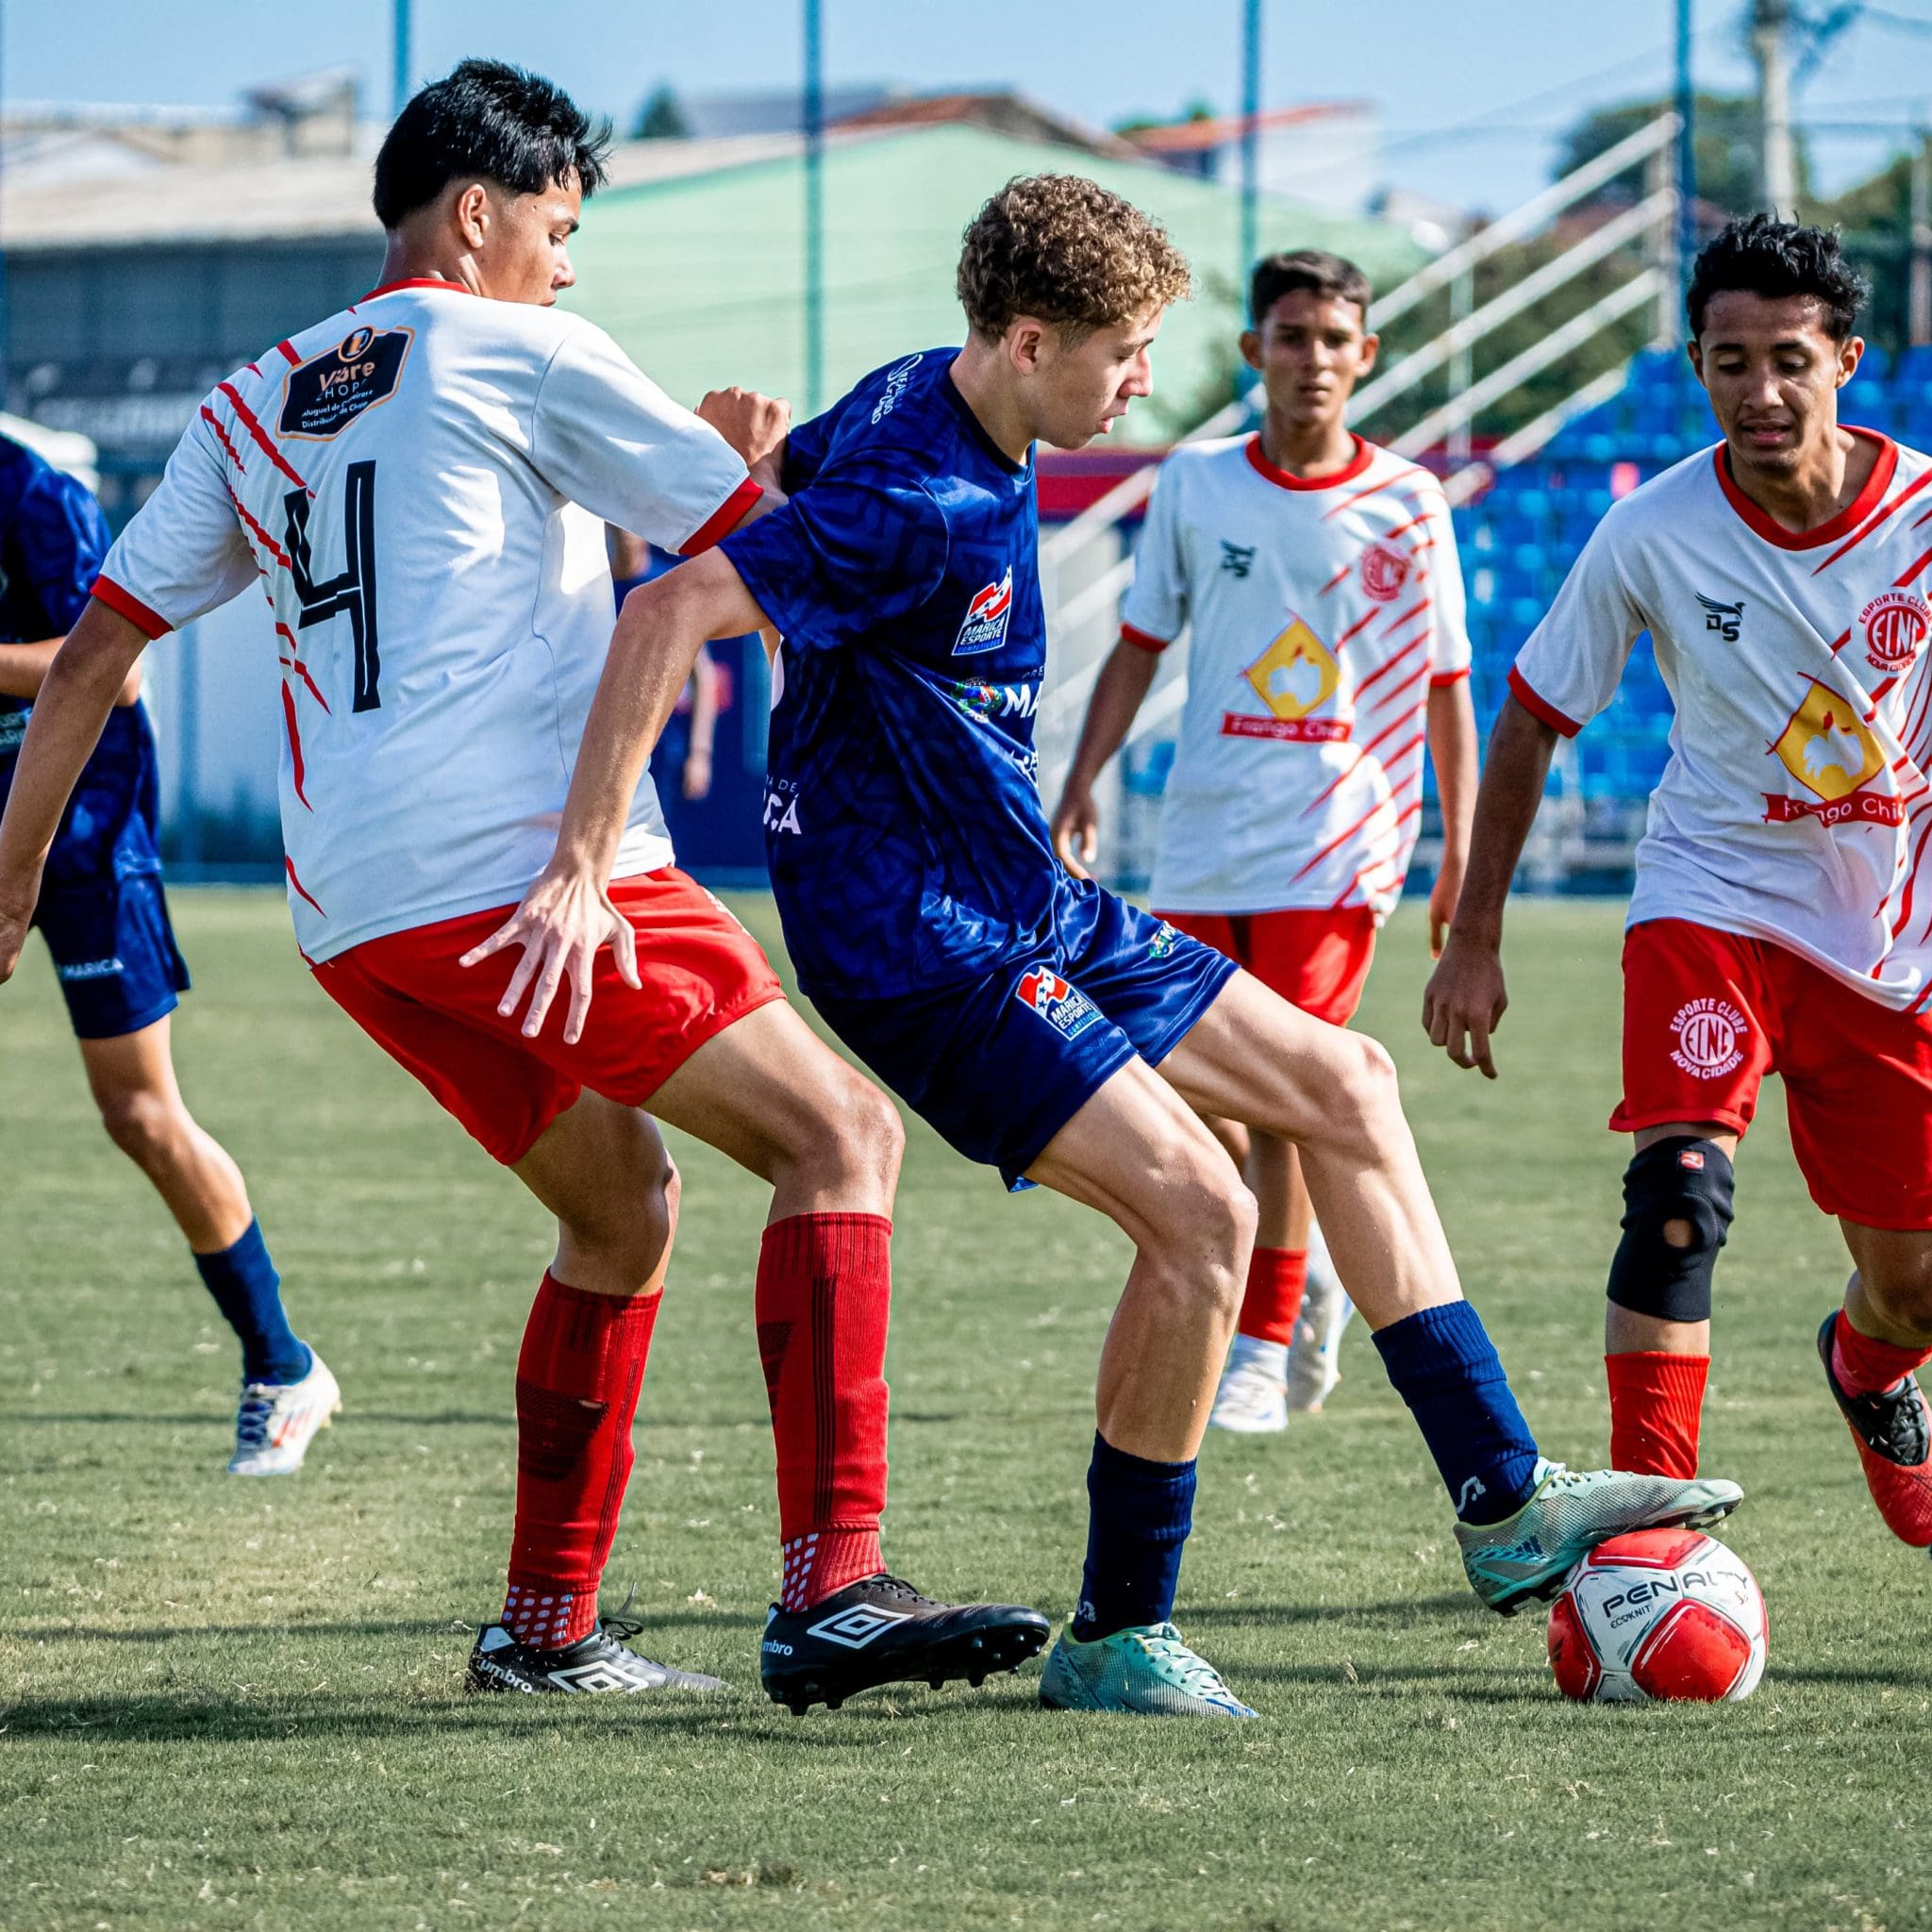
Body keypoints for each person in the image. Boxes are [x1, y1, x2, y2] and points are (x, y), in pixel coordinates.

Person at [483, 173, 1742, 1719]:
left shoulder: (917, 399)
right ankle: (1114, 1630)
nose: (1144, 378)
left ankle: (1496, 1495)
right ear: (1025, 340)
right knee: (1203, 1213)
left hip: (1025, 896)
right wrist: (582, 863)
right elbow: (672, 605)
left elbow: (779, 493)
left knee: (1345, 1080)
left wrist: (752, 448)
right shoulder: (923, 500)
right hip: (921, 940)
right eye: (1126, 349)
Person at [0, 60, 1046, 1707]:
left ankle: (544, 1629)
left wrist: (5, 891)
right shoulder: (526, 345)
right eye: (557, 227)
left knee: (619, 1209)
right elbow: (768, 556)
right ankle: (835, 1587)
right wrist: (746, 457)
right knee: (839, 1135)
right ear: (476, 218)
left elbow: (92, 658)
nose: (570, 265)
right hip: (519, 871)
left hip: (355, 912)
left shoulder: (253, 394)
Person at [1424, 214, 1932, 1553]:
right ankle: (1648, 1547)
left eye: (1788, 360)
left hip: (1892, 937)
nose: (1758, 393)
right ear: (1696, 365)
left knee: (1915, 1288)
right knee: (1679, 1195)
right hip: (1712, 898)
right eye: (1727, 362)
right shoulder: (1651, 529)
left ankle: (1867, 1364)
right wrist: (1473, 937)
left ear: (1849, 361)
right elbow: (1532, 714)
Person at [1050, 249, 1477, 1435]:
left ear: (1365, 354)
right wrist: (1080, 779)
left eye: (1335, 339)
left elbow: (1446, 684)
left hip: (1340, 841)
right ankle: (1312, 1269)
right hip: (1203, 836)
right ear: (1255, 351)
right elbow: (1138, 642)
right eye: (1291, 337)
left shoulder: (1404, 501)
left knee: (1290, 1096)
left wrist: (1458, 854)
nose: (1312, 360)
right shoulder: (1194, 484)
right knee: (1205, 1101)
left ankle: (1266, 1333)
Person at [0, 431, 334, 1475]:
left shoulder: (34, 488)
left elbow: (114, 667)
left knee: (140, 1113)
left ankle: (282, 1364)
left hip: (89, 839)